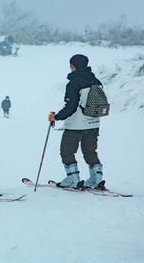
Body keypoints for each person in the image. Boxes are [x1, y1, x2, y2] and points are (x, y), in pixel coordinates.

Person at [48, 54, 106, 190]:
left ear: (73, 66)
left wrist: (56, 117)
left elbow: (71, 107)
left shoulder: (74, 83)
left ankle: (73, 179)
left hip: (75, 125)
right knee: (90, 151)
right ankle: (97, 179)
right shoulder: (96, 81)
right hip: (94, 123)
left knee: (67, 151)